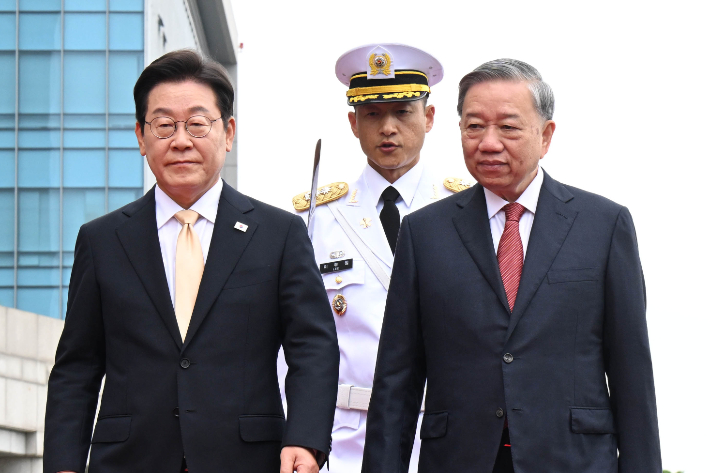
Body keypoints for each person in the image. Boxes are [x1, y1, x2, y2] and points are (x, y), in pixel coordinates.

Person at [43, 49, 339, 473]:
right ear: (141, 137)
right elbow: (78, 367)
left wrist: (306, 439)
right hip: (129, 461)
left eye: (197, 124)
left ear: (228, 132)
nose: (181, 140)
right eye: (164, 125)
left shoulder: (278, 234)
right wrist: (63, 464)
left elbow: (312, 346)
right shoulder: (102, 241)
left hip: (248, 460)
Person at [362, 58, 662, 473]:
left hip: (572, 460)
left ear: (546, 135)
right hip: (458, 459)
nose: (488, 143)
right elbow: (397, 380)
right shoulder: (424, 233)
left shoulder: (604, 225)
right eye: (474, 126)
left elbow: (632, 374)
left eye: (508, 127)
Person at [281, 43, 462, 473]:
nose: (388, 128)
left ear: (429, 118)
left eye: (402, 112)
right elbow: (289, 341)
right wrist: (297, 434)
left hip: (440, 434)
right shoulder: (315, 220)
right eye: (373, 114)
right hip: (343, 437)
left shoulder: (464, 213)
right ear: (353, 123)